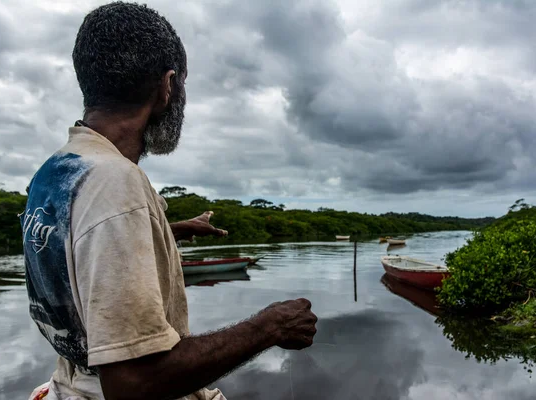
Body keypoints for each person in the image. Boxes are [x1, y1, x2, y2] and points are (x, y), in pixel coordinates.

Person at [22, 2, 318, 399]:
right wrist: (269, 327)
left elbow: (84, 245)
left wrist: (170, 229)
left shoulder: (58, 170)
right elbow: (133, 382)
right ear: (167, 87)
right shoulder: (114, 183)